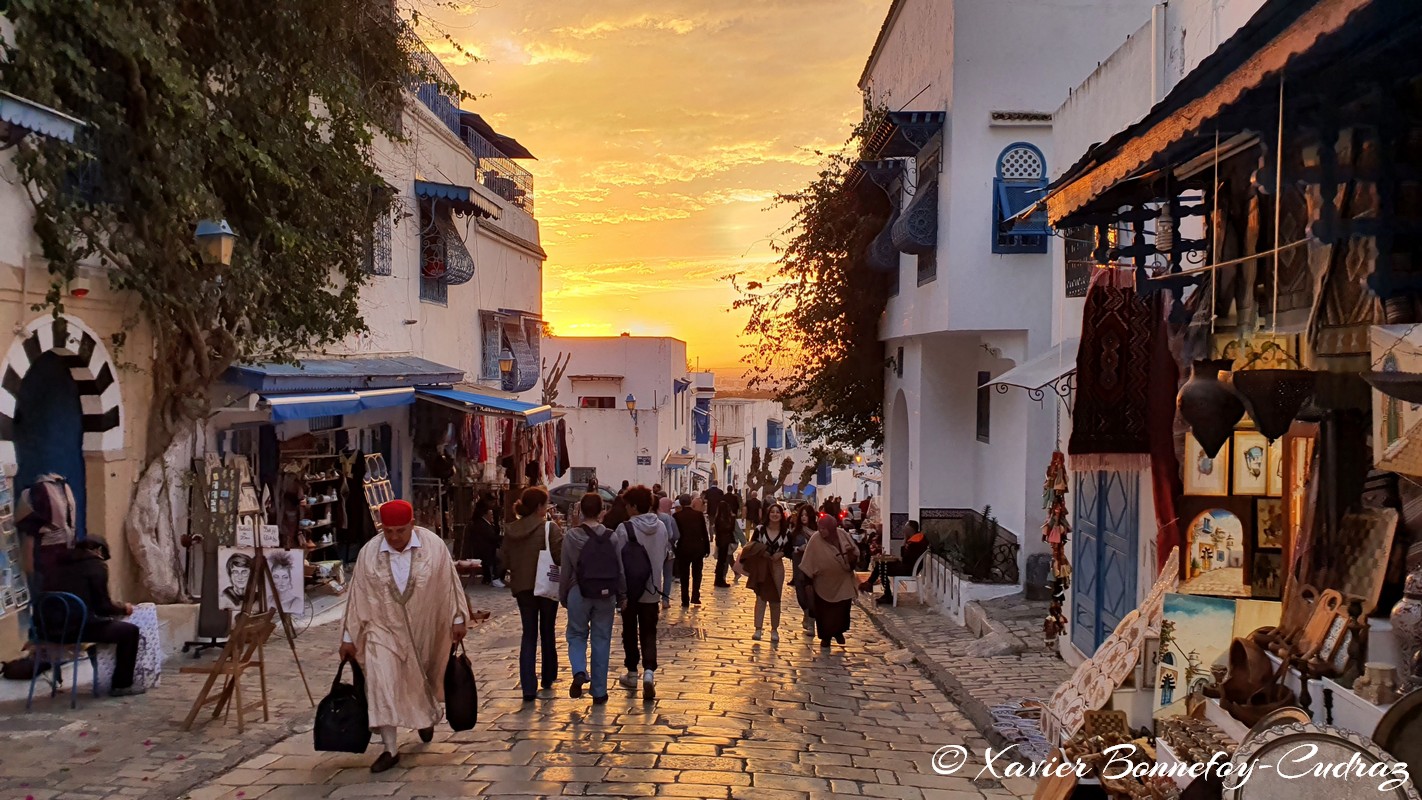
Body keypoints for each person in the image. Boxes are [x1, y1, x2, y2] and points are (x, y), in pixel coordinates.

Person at [339, 500, 470, 772]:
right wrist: (350, 637)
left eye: (400, 531)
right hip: (381, 629)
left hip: (425, 625)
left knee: (421, 675)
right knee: (381, 682)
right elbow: (357, 596)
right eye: (389, 531)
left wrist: (458, 617)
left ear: (412, 525)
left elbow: (450, 584)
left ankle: (424, 718)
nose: (395, 537)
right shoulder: (368, 554)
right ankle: (390, 749)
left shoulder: (433, 547)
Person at [43, 536, 145, 696]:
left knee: (101, 625)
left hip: (48, 630)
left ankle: (103, 678)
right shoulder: (96, 566)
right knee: (129, 631)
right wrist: (123, 608)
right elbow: (103, 607)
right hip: (76, 630)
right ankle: (122, 685)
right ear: (98, 550)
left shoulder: (56, 565)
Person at [498, 487, 564, 701]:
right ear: (539, 507)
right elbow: (560, 556)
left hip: (523, 587)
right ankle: (547, 676)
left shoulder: (511, 530)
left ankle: (528, 685)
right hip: (544, 585)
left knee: (529, 634)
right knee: (547, 630)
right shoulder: (549, 528)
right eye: (546, 504)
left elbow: (504, 560)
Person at [561, 492, 623, 705]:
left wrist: (563, 596)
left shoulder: (571, 537)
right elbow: (619, 569)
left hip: (579, 591)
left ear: (580, 512)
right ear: (602, 512)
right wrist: (621, 594)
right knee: (601, 639)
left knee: (576, 634)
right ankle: (599, 691)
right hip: (605, 593)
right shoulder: (611, 537)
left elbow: (566, 570)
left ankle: (579, 669)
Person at [615, 486, 670, 700]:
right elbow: (664, 554)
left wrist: (620, 593)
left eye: (628, 505)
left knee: (629, 630)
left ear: (635, 506)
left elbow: (619, 562)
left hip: (630, 590)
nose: (626, 509)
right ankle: (649, 671)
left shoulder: (624, 529)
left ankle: (632, 672)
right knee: (649, 631)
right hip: (652, 588)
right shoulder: (661, 527)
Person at [799, 514, 858, 649]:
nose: (821, 531)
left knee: (842, 609)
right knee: (825, 612)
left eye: (824, 528)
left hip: (843, 580)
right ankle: (826, 637)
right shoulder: (815, 540)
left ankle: (838, 632)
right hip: (824, 583)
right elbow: (808, 561)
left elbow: (854, 550)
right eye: (820, 528)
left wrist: (851, 557)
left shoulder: (842, 535)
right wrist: (807, 582)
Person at [17, 473, 78, 592]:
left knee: (48, 591)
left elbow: (26, 527)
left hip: (46, 551)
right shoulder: (65, 488)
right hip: (64, 548)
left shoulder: (31, 493)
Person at [746, 503, 792, 642]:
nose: (775, 514)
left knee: (775, 597)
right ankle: (758, 629)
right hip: (762, 565)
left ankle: (774, 629)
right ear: (768, 514)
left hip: (777, 566)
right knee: (760, 597)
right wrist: (762, 552)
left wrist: (782, 553)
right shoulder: (760, 530)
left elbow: (789, 549)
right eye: (772, 512)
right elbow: (751, 545)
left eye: (777, 512)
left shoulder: (786, 532)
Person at [875, 521, 927, 605]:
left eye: (905, 528)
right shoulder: (917, 539)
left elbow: (904, 557)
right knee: (881, 563)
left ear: (910, 529)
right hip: (908, 566)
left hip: (909, 569)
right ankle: (873, 585)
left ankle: (887, 594)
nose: (903, 530)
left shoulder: (915, 542)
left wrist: (905, 540)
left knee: (882, 567)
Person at [672, 494, 709, 607]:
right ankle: (695, 596)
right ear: (690, 502)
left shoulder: (677, 516)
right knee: (697, 573)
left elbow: (675, 534)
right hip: (698, 548)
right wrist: (707, 548)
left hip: (683, 548)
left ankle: (685, 599)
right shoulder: (698, 515)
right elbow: (704, 532)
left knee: (684, 574)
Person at [790, 505, 818, 635]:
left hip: (813, 568)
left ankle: (811, 622)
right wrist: (798, 549)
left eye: (806, 515)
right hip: (799, 566)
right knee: (801, 595)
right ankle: (806, 614)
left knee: (811, 594)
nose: (804, 517)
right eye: (802, 515)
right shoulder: (796, 532)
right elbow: (789, 549)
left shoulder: (817, 533)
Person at [470, 499, 505, 589]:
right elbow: (491, 537)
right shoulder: (481, 524)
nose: (492, 516)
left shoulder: (486, 524)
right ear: (485, 514)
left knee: (501, 556)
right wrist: (503, 538)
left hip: (488, 547)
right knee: (501, 559)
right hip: (484, 550)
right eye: (491, 514)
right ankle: (495, 577)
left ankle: (492, 578)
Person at [656, 496, 680, 609]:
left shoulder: (647, 518)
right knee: (667, 575)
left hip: (652, 549)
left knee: (654, 574)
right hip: (667, 549)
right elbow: (674, 535)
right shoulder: (668, 518)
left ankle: (654, 599)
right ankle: (665, 600)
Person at [712, 503, 737, 588]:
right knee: (722, 562)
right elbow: (730, 529)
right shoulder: (725, 519)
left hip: (720, 541)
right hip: (724, 542)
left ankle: (718, 579)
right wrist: (733, 518)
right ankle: (720, 580)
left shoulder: (717, 518)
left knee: (720, 562)